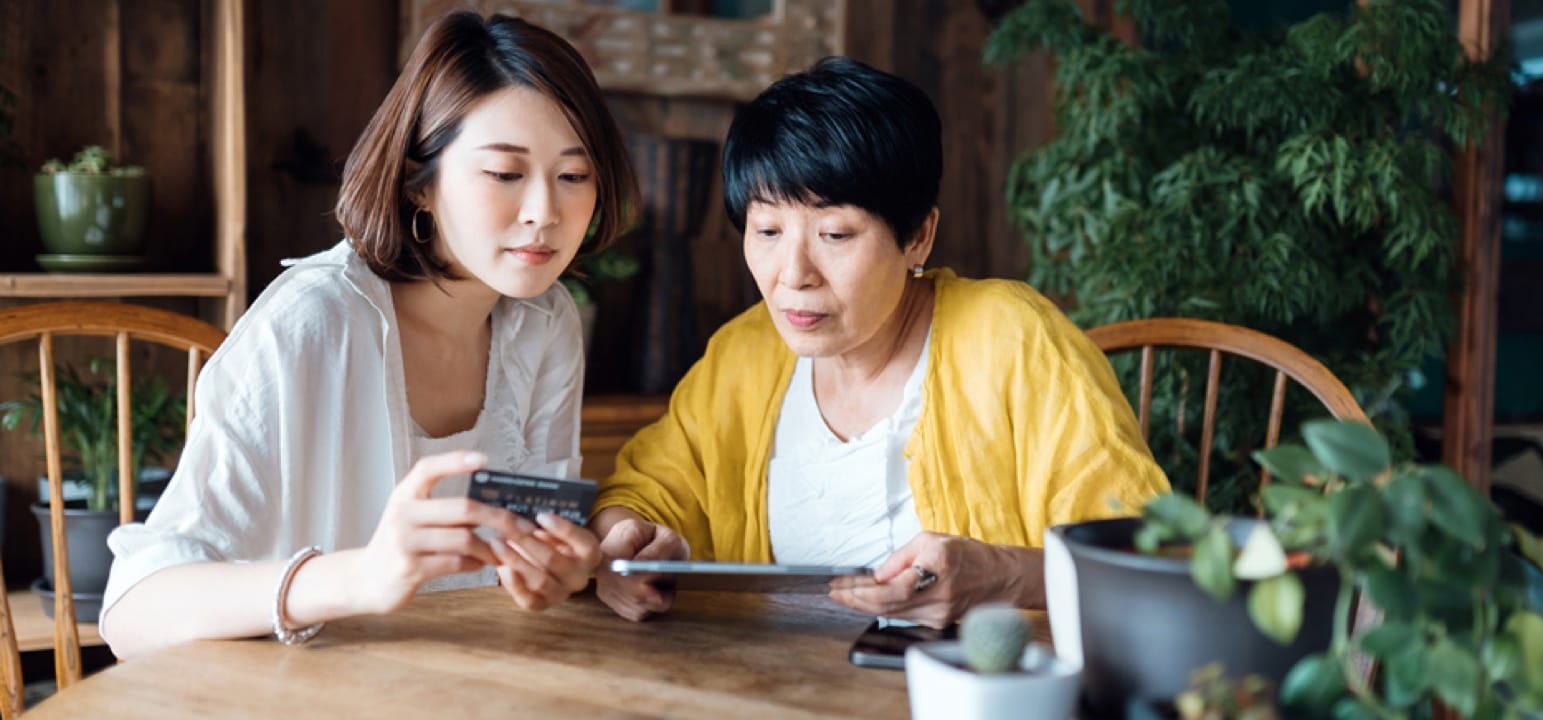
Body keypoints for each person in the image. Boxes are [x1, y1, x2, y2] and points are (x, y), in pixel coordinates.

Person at [100, 11, 637, 658]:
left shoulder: (545, 325)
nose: (545, 213)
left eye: (573, 177)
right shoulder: (310, 324)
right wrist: (363, 576)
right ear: (422, 185)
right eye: (504, 173)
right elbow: (133, 608)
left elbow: (535, 555)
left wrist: (565, 569)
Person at [591, 57, 1167, 628]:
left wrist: (1007, 576)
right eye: (766, 231)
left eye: (835, 234)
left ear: (918, 236)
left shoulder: (1014, 340)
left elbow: (1149, 560)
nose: (793, 273)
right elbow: (643, 494)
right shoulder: (744, 355)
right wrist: (624, 549)